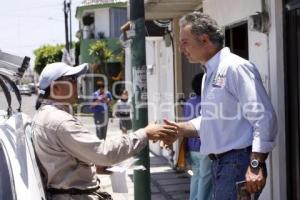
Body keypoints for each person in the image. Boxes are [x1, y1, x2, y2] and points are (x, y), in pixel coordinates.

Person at [163, 12, 278, 200]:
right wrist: (178, 129)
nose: (181, 49)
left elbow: (264, 118)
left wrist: (255, 166)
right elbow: (213, 119)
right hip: (221, 164)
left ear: (204, 40)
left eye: (184, 42)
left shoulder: (234, 67)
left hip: (238, 163)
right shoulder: (210, 72)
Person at [32, 62, 177, 200]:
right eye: (72, 80)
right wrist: (145, 134)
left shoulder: (46, 115)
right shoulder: (60, 121)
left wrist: (92, 164)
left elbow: (62, 161)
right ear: (56, 88)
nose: (77, 84)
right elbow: (104, 152)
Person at [183, 73, 212, 200]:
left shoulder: (189, 102)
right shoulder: (208, 102)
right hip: (204, 145)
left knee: (196, 175)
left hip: (191, 145)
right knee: (205, 178)